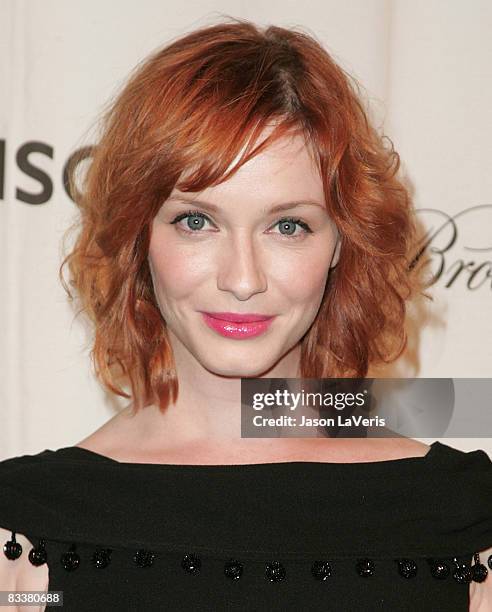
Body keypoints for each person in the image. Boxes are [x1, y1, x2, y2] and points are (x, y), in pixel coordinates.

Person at [1, 18, 491, 611]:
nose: (242, 279)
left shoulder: (467, 528)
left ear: (341, 241)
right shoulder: (25, 537)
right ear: (138, 234)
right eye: (196, 221)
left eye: (288, 226)